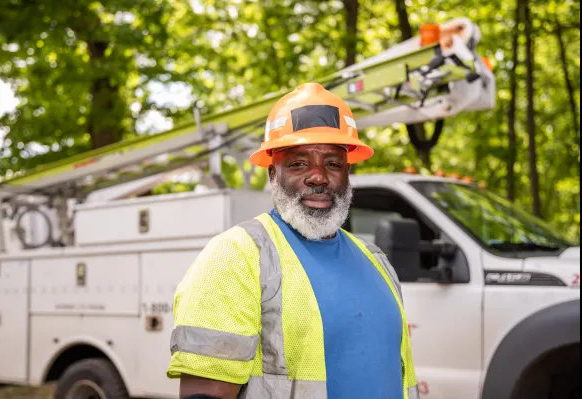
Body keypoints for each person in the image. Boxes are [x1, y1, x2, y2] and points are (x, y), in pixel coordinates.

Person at [166, 82, 419, 399]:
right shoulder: (237, 256)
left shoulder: (375, 260)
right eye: (299, 163)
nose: (318, 177)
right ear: (273, 174)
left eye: (332, 163)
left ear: (347, 173)